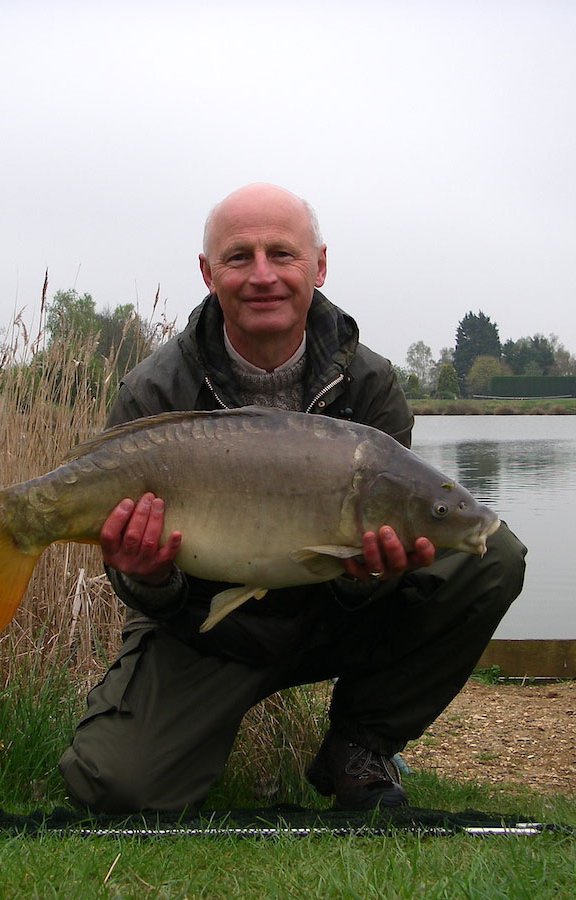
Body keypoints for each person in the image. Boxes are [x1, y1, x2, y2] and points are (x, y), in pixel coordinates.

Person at [57, 183, 526, 813]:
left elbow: (391, 551)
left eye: (282, 253)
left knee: (489, 555)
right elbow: (139, 587)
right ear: (207, 273)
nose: (262, 276)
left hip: (330, 614)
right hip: (203, 628)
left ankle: (358, 747)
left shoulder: (370, 385)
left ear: (319, 265)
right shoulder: (154, 390)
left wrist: (368, 579)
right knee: (114, 790)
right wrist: (149, 576)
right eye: (238, 257)